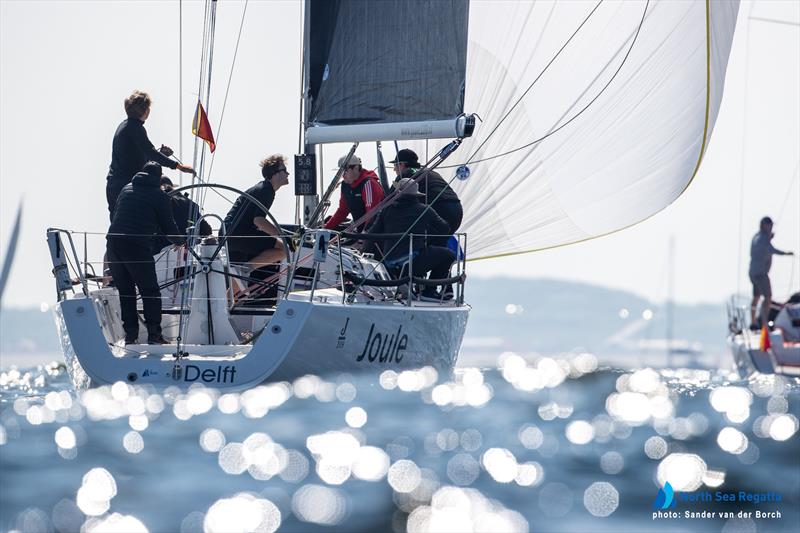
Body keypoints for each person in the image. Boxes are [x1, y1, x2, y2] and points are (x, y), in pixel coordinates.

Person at [106, 162, 185, 344]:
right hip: (135, 245)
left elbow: (117, 215)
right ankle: (154, 336)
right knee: (150, 292)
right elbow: (169, 228)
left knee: (126, 292)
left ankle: (131, 336)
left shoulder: (126, 189)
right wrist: (182, 241)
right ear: (159, 178)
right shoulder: (160, 196)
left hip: (113, 243)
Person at [106, 90, 195, 219]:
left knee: (121, 227)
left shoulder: (126, 126)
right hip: (123, 187)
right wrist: (178, 166)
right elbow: (150, 152)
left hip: (115, 186)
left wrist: (161, 154)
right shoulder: (134, 127)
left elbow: (139, 158)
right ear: (146, 111)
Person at [364, 178, 455, 301]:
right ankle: (429, 290)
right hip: (413, 262)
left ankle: (402, 281)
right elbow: (445, 228)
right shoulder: (424, 210)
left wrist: (363, 254)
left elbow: (373, 233)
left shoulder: (387, 209)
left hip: (388, 263)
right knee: (449, 255)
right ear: (416, 195)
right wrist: (426, 236)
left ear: (398, 192)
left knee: (414, 253)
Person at [222, 155, 290, 269]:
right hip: (238, 234)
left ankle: (241, 274)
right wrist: (283, 236)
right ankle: (247, 269)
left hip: (228, 234)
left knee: (237, 282)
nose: (288, 174)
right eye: (285, 170)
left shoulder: (262, 188)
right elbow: (259, 221)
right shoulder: (267, 190)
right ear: (275, 173)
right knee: (284, 249)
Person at [389, 148, 462, 245]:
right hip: (457, 210)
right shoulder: (431, 171)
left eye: (395, 165)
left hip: (439, 208)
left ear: (401, 164)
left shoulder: (405, 174)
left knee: (422, 246)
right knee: (438, 243)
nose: (394, 169)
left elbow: (388, 200)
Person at [749, 216, 794, 330]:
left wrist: (768, 238)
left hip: (753, 272)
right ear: (765, 225)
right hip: (760, 274)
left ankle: (753, 323)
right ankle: (763, 324)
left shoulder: (757, 236)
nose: (771, 227)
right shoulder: (763, 238)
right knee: (768, 297)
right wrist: (786, 253)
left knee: (756, 297)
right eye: (770, 225)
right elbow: (771, 250)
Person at [151, 176, 212, 253]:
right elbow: (206, 231)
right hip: (188, 253)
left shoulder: (157, 202)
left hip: (160, 252)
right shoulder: (191, 204)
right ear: (172, 187)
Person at [324, 155, 385, 232]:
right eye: (340, 172)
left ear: (356, 168)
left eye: (345, 171)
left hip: (375, 235)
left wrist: (363, 239)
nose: (342, 175)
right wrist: (325, 229)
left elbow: (372, 214)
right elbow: (342, 211)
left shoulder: (369, 184)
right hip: (361, 233)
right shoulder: (345, 185)